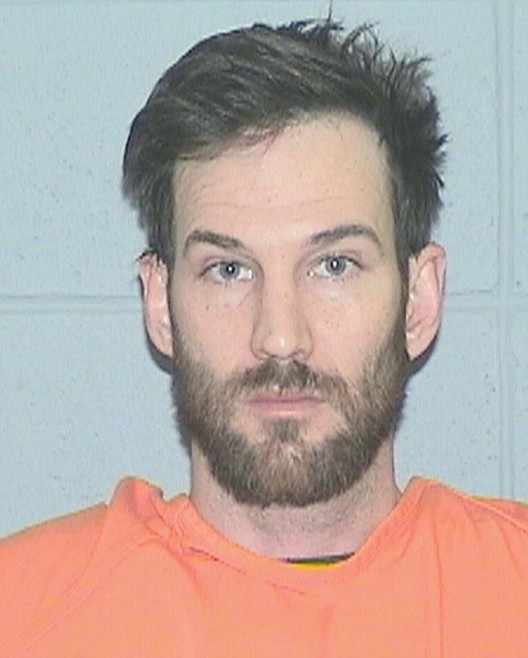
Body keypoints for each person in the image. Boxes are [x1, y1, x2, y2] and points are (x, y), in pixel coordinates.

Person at [1, 18, 527, 658]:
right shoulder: (21, 615)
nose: (279, 336)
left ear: (419, 300)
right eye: (229, 270)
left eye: (334, 265)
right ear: (160, 304)